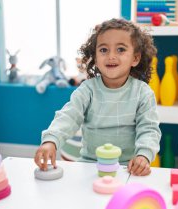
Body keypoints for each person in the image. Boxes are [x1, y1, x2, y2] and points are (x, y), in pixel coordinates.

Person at [34, 18, 161, 176]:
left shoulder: (143, 93)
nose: (111, 56)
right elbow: (68, 116)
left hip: (127, 167)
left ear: (135, 58)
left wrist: (143, 155)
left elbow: (149, 129)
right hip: (90, 164)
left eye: (120, 49)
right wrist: (51, 140)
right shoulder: (87, 89)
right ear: (95, 57)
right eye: (103, 50)